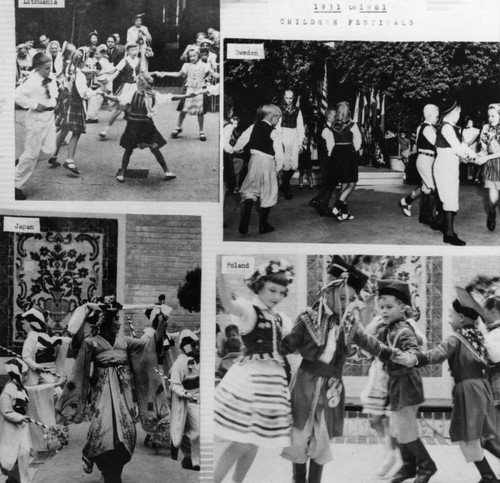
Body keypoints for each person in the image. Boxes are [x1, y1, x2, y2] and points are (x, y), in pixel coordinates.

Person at [280, 257, 395, 483]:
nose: (345, 304)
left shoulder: (350, 323)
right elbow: (286, 345)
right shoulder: (307, 318)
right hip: (305, 382)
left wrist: (393, 354)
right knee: (300, 434)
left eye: (350, 299)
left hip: (332, 387)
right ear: (328, 291)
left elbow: (370, 343)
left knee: (321, 438)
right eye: (342, 297)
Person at [56, 297, 168, 483]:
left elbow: (149, 348)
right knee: (103, 429)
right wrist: (85, 314)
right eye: (116, 319)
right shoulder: (92, 343)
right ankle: (107, 470)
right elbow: (77, 341)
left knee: (128, 431)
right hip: (101, 396)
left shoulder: (126, 342)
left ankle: (113, 471)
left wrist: (162, 324)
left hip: (123, 396)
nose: (119, 322)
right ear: (107, 321)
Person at [399, 288, 500, 482]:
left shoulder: (455, 339)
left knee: (469, 438)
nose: (449, 319)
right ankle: (487, 476)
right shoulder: (479, 338)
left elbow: (435, 355)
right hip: (483, 390)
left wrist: (412, 358)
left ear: (461, 318)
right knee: (478, 437)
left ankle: (489, 477)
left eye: (450, 315)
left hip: (468, 392)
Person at [214, 260, 294, 483]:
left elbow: (293, 340)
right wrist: (220, 274)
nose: (276, 296)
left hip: (272, 383)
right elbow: (229, 304)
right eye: (272, 290)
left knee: (254, 440)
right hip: (250, 381)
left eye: (281, 292)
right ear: (259, 286)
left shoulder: (280, 318)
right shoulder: (250, 311)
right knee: (241, 441)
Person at [377, 280, 437, 483]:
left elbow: (414, 351)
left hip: (407, 383)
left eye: (389, 307)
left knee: (405, 427)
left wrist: (404, 356)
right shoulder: (388, 329)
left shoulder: (403, 330)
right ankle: (409, 465)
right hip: (396, 384)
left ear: (402, 308)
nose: (384, 311)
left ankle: (427, 465)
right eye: (381, 307)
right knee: (398, 426)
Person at [104, 72, 192, 182]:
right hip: (134, 126)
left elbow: (170, 97)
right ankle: (122, 172)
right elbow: (119, 99)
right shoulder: (133, 94)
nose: (136, 83)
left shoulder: (152, 95)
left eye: (138, 81)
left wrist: (186, 96)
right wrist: (107, 96)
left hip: (145, 126)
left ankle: (166, 170)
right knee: (130, 149)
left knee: (152, 148)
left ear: (140, 83)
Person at [14, 52, 58, 200]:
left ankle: (22, 163)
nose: (49, 70)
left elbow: (54, 93)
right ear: (38, 67)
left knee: (50, 150)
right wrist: (33, 104)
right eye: (46, 68)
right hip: (36, 120)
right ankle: (15, 184)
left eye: (50, 66)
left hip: (49, 118)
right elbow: (17, 95)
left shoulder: (51, 78)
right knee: (32, 154)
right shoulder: (32, 81)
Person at [433, 99, 477, 245]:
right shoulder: (446, 128)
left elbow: (463, 145)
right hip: (445, 164)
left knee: (448, 196)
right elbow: (458, 148)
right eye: (458, 112)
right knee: (449, 197)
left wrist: (476, 156)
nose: (459, 114)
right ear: (451, 112)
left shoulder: (451, 127)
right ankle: (449, 234)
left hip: (450, 164)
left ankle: (441, 224)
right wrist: (469, 158)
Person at [238, 104, 284, 234]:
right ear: (273, 118)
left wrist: (236, 149)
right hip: (268, 162)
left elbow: (243, 138)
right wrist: (279, 167)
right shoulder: (274, 132)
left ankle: (245, 222)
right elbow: (279, 152)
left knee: (250, 187)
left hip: (254, 161)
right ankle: (264, 225)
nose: (278, 122)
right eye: (278, 119)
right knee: (268, 191)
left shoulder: (254, 126)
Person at [50, 50, 98, 175]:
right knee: (76, 132)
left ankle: (54, 155)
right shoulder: (80, 75)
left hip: (66, 101)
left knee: (64, 129)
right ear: (82, 61)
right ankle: (69, 160)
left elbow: (65, 83)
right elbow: (83, 93)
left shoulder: (69, 69)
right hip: (75, 104)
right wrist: (96, 91)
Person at [157, 47, 216, 142]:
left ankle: (201, 131)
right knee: (183, 110)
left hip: (200, 90)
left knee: (200, 112)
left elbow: (214, 74)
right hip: (189, 90)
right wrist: (165, 73)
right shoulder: (186, 65)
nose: (192, 58)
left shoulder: (205, 65)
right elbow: (178, 74)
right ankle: (178, 127)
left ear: (199, 55)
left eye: (194, 56)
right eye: (190, 56)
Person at [399, 104, 439, 225]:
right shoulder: (427, 128)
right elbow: (437, 143)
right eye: (436, 116)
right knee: (432, 188)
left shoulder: (422, 126)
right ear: (430, 115)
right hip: (426, 159)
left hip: (426, 159)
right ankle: (428, 216)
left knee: (425, 187)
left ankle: (406, 201)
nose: (438, 118)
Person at [169, 329, 200, 471]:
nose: (193, 347)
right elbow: (175, 384)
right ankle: (192, 459)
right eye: (188, 344)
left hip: (200, 398)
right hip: (188, 399)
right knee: (194, 430)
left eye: (193, 344)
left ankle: (193, 459)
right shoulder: (179, 363)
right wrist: (185, 394)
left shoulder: (197, 358)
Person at [99, 43, 143, 140]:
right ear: (127, 51)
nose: (134, 52)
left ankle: (135, 132)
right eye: (132, 50)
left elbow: (140, 74)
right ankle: (106, 129)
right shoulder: (124, 61)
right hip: (126, 87)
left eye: (136, 49)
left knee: (136, 109)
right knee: (119, 109)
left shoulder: (139, 61)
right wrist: (108, 80)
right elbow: (116, 72)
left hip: (135, 87)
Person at [330, 101, 362, 221]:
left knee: (343, 183)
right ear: (348, 112)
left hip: (336, 153)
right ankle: (337, 207)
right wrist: (354, 150)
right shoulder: (352, 125)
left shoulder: (333, 125)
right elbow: (358, 142)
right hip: (348, 152)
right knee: (352, 183)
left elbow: (331, 143)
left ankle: (344, 212)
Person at [0, 359, 31, 483]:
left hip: (21, 427)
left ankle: (19, 479)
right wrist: (20, 418)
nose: (27, 377)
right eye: (24, 374)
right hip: (11, 429)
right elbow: (6, 411)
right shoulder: (8, 391)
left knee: (25, 451)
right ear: (17, 375)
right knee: (11, 456)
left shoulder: (21, 388)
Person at [278, 90, 305, 200]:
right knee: (286, 164)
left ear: (293, 98)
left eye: (290, 98)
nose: (288, 100)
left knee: (294, 165)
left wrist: (300, 143)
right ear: (284, 97)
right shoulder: (279, 109)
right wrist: (279, 140)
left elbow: (300, 126)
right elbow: (278, 126)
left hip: (294, 135)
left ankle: (284, 183)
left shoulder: (297, 110)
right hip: (284, 135)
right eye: (287, 98)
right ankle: (287, 189)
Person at [479, 103, 500, 231]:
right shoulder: (486, 128)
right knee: (492, 197)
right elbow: (484, 149)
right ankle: (492, 212)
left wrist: (486, 157)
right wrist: (477, 156)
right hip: (492, 164)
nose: (490, 118)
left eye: (493, 115)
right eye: (489, 116)